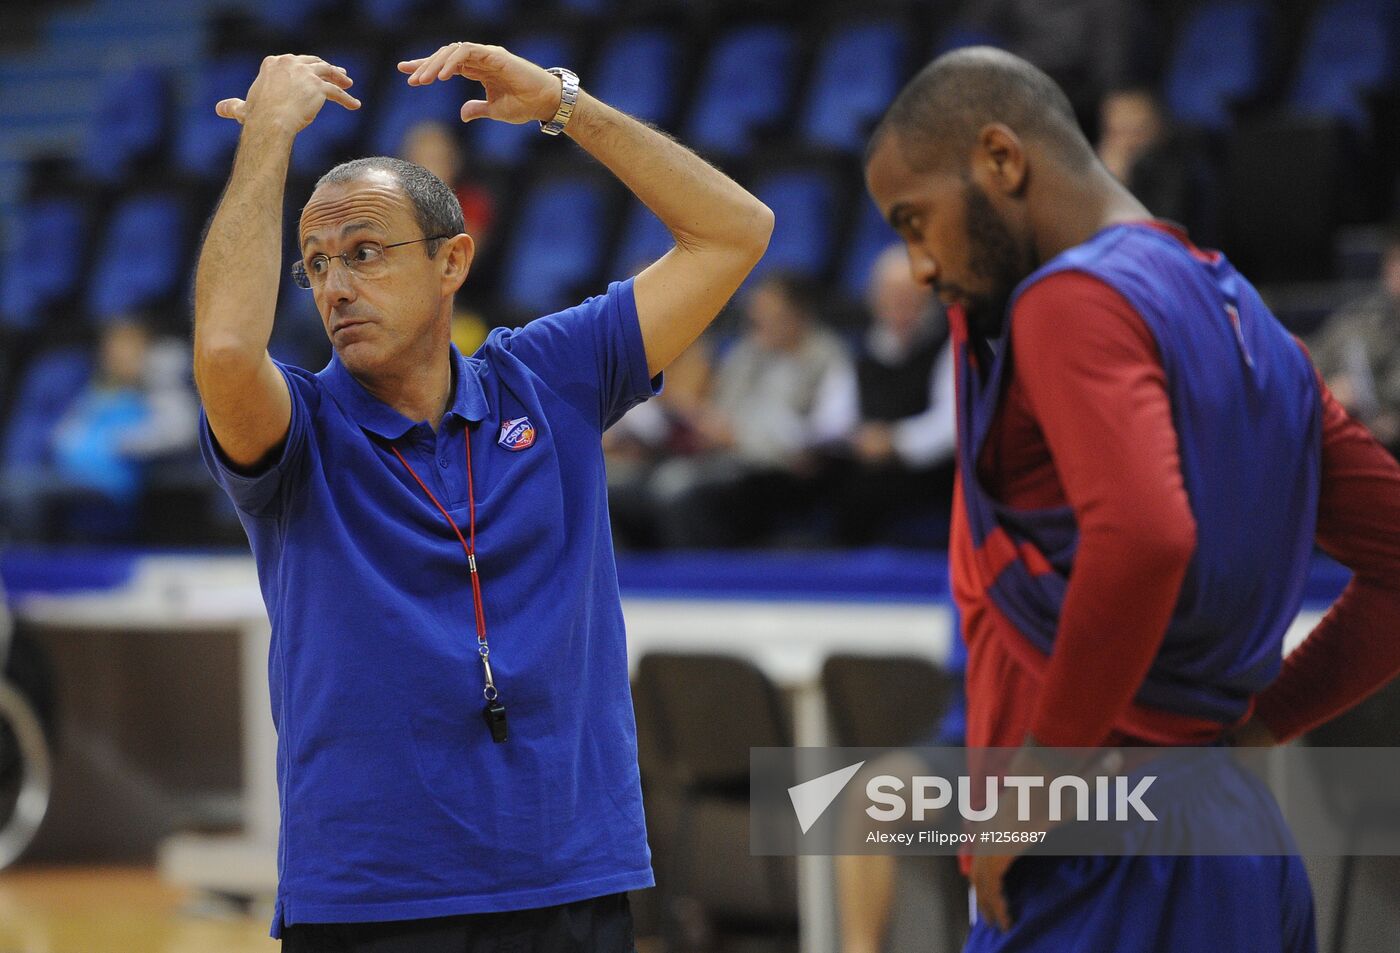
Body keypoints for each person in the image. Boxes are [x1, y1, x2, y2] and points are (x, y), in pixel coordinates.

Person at [193, 44, 771, 949]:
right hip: (370, 902)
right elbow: (228, 352)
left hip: (570, 880)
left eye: (365, 252)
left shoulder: (549, 374)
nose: (336, 287)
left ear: (452, 260)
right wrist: (268, 133)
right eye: (315, 264)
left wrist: (565, 106)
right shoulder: (298, 428)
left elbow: (735, 231)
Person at [863, 46, 1400, 951]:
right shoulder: (1259, 329)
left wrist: (1039, 780)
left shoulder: (1067, 303)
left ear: (1001, 159)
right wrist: (1265, 724)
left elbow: (1145, 536)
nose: (918, 265)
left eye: (917, 221)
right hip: (1236, 832)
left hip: (1102, 839)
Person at [648, 272, 853, 547]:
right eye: (756, 314)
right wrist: (703, 422)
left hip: (777, 470)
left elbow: (828, 431)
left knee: (676, 487)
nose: (759, 322)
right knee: (638, 485)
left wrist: (740, 439)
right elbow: (720, 411)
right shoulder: (746, 353)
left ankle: (703, 570)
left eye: (769, 314)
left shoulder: (826, 357)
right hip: (727, 459)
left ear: (797, 315)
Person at [820, 244, 956, 546]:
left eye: (908, 294)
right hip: (864, 462)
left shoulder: (948, 345)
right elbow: (833, 417)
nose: (899, 302)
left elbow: (952, 425)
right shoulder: (859, 351)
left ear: (926, 296)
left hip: (928, 469)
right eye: (890, 294)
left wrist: (895, 442)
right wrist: (856, 439)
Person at [1306, 225, 1400, 457]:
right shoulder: (1355, 321)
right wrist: (1329, 392)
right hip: (1353, 445)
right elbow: (1308, 371)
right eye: (1395, 262)